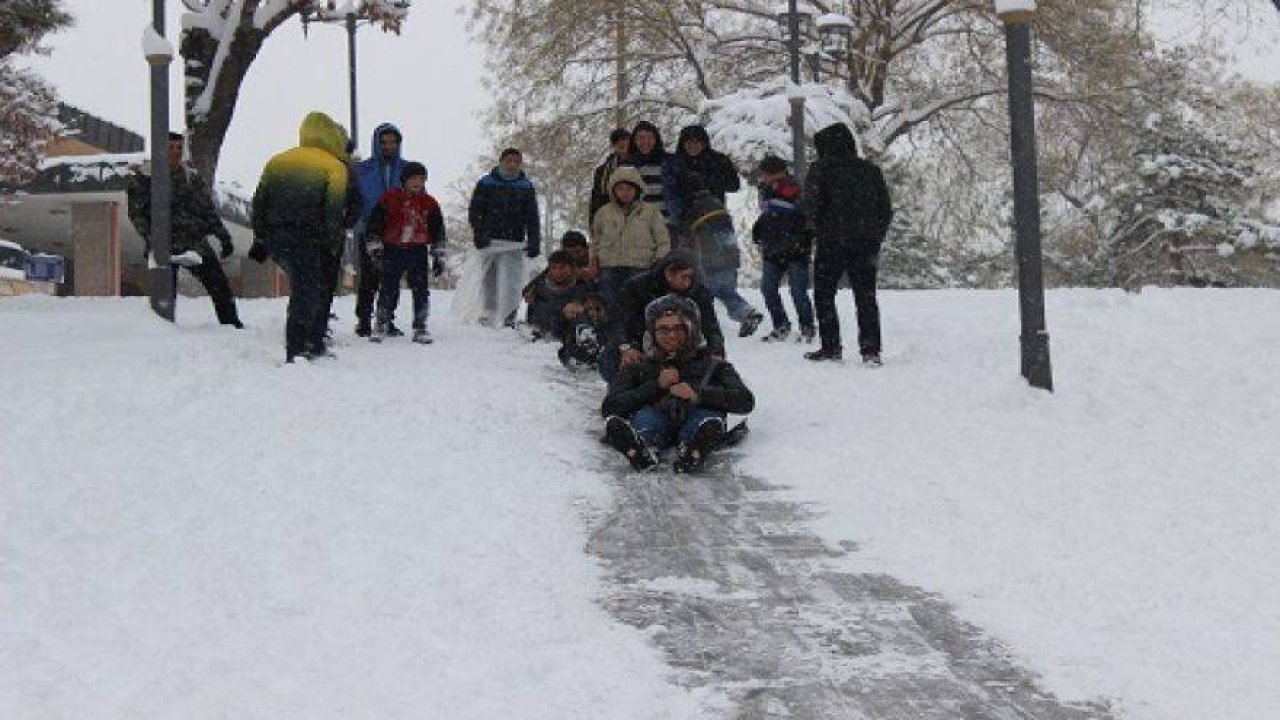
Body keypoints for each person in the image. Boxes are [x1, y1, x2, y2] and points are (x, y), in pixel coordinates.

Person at [601, 294, 755, 473]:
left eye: (679, 328)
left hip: (696, 418)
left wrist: (698, 394)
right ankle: (642, 447)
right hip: (655, 419)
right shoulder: (638, 366)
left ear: (692, 329)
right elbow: (610, 407)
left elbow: (745, 401)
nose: (672, 335)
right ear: (652, 332)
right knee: (647, 419)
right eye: (663, 330)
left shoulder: (712, 364)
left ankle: (694, 448)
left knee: (705, 418)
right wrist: (656, 386)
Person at [251, 111, 352, 363]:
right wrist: (332, 243)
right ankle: (299, 348)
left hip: (277, 235)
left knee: (303, 288)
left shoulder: (278, 161)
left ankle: (305, 344)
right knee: (308, 291)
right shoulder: (334, 166)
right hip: (309, 238)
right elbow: (333, 211)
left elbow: (259, 201)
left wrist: (262, 236)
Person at [126, 131, 243, 328]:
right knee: (164, 292)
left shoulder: (191, 178)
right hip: (162, 243)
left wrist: (223, 236)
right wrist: (152, 238)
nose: (175, 152)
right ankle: (162, 329)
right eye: (170, 147)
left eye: (179, 148)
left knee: (219, 285)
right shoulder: (144, 178)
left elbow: (206, 209)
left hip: (194, 242)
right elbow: (137, 214)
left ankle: (231, 325)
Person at [802, 123, 893, 364]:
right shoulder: (870, 171)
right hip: (865, 242)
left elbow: (810, 207)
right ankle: (871, 350)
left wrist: (812, 233)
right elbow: (885, 209)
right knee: (866, 297)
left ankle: (831, 347)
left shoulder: (820, 170)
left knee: (824, 294)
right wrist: (875, 235)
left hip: (831, 241)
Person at [602, 248, 724, 383]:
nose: (688, 282)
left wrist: (716, 352)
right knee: (611, 357)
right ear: (670, 273)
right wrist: (626, 347)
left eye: (691, 277)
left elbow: (711, 327)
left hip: (684, 347)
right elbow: (617, 321)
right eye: (684, 277)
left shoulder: (698, 293)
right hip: (640, 343)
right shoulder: (636, 288)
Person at [365, 161, 445, 344]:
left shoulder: (429, 203)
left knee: (421, 290)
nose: (417, 182)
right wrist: (375, 247)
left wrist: (438, 255)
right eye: (413, 179)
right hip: (392, 249)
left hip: (417, 250)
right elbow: (375, 225)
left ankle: (420, 326)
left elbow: (438, 231)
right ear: (404, 180)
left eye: (421, 179)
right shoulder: (389, 199)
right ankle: (381, 323)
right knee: (388, 288)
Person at [682, 172, 763, 337]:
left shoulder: (692, 209)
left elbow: (690, 235)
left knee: (708, 292)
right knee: (726, 290)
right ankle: (745, 313)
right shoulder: (717, 203)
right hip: (729, 254)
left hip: (709, 257)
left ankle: (708, 326)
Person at [467, 147, 541, 326]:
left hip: (514, 241)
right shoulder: (486, 183)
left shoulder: (525, 186)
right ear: (501, 162)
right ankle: (489, 312)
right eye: (509, 161)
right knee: (489, 278)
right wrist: (479, 232)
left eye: (517, 162)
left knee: (512, 281)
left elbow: (532, 216)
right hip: (490, 240)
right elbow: (476, 210)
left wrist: (534, 239)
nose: (512, 165)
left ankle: (509, 314)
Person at [352, 122, 410, 337]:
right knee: (368, 277)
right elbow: (355, 199)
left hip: (397, 232)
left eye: (392, 142)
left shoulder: (407, 170)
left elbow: (418, 198)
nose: (388, 146)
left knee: (392, 278)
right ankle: (364, 320)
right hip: (369, 230)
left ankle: (386, 318)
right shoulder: (362, 170)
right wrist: (359, 224)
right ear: (376, 143)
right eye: (383, 142)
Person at [751, 155, 815, 343]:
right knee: (768, 289)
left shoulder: (794, 189)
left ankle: (807, 327)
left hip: (795, 248)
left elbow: (804, 217)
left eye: (765, 174)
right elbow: (768, 216)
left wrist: (803, 239)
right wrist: (759, 231)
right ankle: (781, 325)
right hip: (773, 248)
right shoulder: (765, 191)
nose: (763, 178)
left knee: (797, 291)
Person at [589, 165, 668, 306]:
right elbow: (595, 240)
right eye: (620, 189)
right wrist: (593, 261)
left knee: (637, 307)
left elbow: (663, 240)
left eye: (629, 189)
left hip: (640, 268)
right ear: (613, 190)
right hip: (609, 269)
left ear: (637, 190)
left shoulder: (650, 212)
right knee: (610, 307)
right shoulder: (603, 213)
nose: (625, 193)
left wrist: (659, 262)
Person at [624, 121, 680, 246]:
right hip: (637, 226)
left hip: (668, 225)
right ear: (634, 141)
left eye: (650, 138)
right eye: (641, 138)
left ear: (656, 139)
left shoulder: (669, 162)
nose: (645, 142)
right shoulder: (627, 165)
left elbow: (681, 191)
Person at [521, 249, 588, 341]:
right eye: (554, 268)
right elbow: (526, 292)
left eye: (562, 267)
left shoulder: (580, 285)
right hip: (538, 326)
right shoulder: (541, 282)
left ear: (572, 268)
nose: (558, 272)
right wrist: (529, 294)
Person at [589, 128, 631, 223]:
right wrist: (593, 224)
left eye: (624, 139)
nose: (621, 143)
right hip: (611, 222)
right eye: (617, 141)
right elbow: (596, 200)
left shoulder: (641, 165)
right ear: (614, 145)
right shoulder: (602, 171)